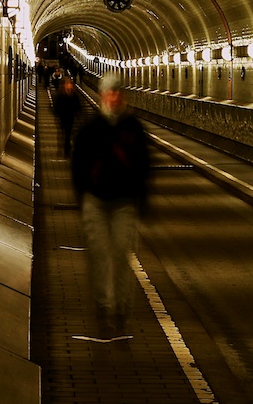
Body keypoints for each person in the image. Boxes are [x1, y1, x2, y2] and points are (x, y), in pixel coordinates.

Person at [70, 74, 151, 339]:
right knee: (100, 253)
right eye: (109, 93)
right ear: (103, 96)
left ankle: (121, 308)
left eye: (118, 93)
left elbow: (144, 166)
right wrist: (82, 195)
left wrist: (143, 199)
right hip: (95, 199)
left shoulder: (133, 128)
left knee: (120, 254)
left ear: (122, 97)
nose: (114, 98)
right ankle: (104, 304)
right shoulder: (91, 128)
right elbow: (78, 163)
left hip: (124, 201)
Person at [52, 76, 82, 155]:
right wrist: (58, 113)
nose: (69, 86)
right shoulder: (60, 95)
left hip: (70, 117)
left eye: (70, 84)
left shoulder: (74, 95)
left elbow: (78, 106)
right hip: (62, 117)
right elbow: (56, 106)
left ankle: (67, 149)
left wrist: (77, 113)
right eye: (68, 84)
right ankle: (65, 147)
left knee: (68, 133)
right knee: (64, 132)